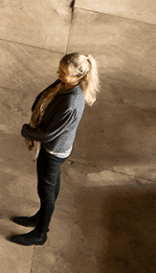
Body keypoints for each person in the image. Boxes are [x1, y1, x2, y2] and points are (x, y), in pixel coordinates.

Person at [10, 52, 101, 246]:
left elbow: (48, 134)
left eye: (64, 72)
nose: (58, 74)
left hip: (54, 150)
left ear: (78, 77)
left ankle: (41, 232)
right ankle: (40, 217)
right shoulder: (66, 84)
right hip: (56, 147)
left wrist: (27, 131)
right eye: (60, 69)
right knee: (51, 184)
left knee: (46, 190)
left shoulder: (71, 102)